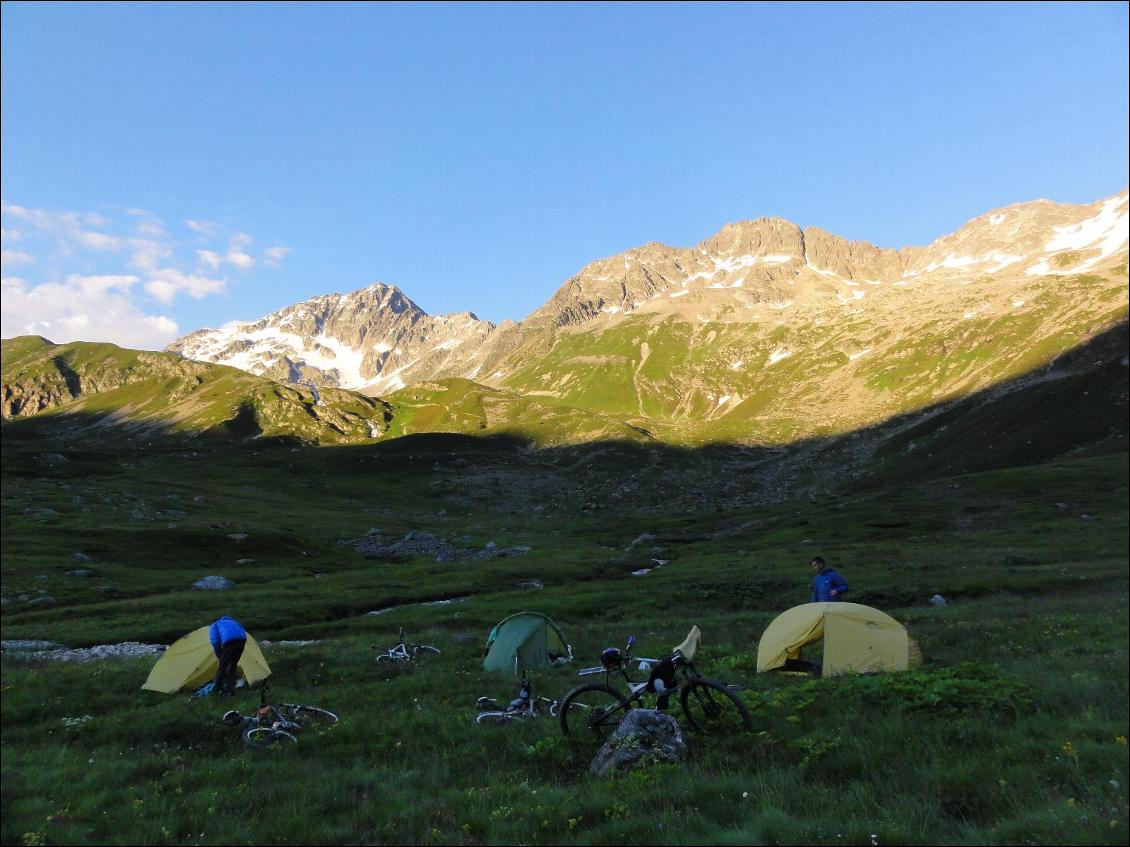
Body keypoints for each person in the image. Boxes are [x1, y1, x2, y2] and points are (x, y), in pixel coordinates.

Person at [209, 615, 247, 696]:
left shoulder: (215, 624)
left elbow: (215, 641)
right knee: (232, 666)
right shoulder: (234, 621)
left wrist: (219, 655)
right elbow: (243, 631)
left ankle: (215, 690)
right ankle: (231, 690)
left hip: (230, 643)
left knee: (222, 667)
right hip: (242, 641)